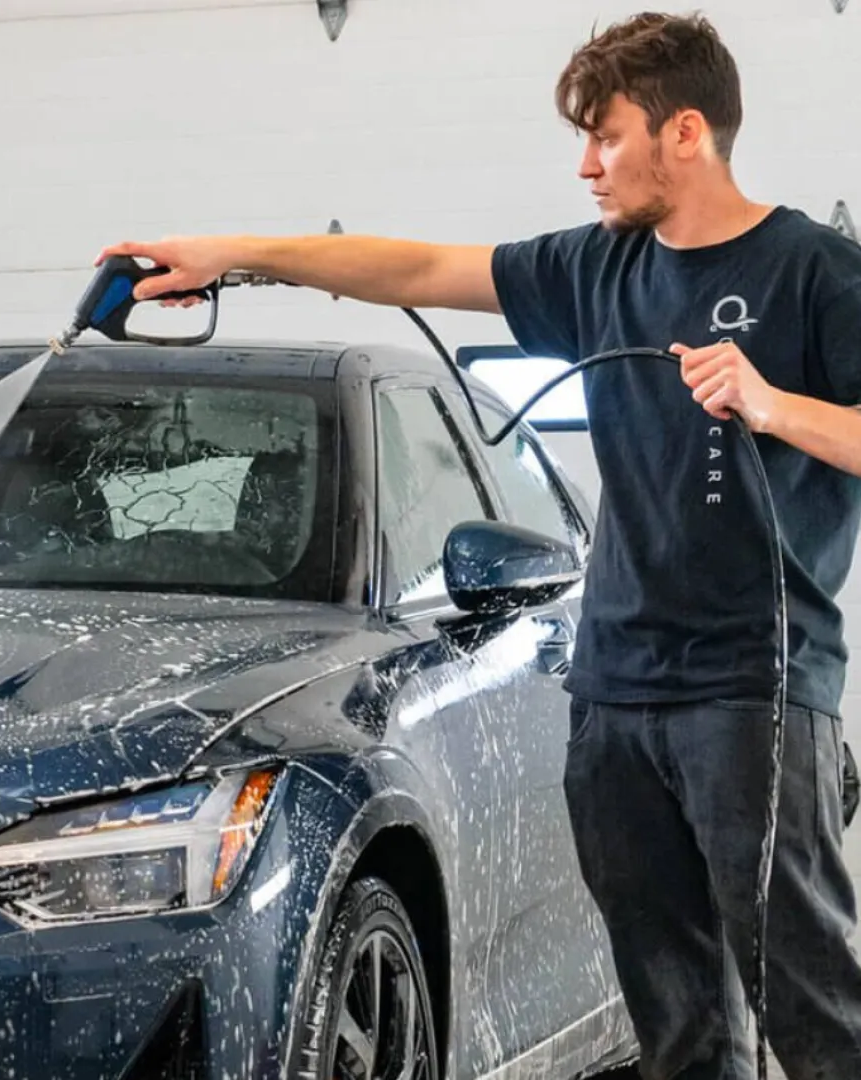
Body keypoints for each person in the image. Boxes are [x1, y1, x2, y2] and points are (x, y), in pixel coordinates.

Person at [99, 11, 861, 1080]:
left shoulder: (817, 273)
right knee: (676, 1021)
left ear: (685, 132)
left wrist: (772, 403)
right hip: (615, 697)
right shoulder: (597, 270)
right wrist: (233, 254)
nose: (586, 165)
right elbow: (412, 267)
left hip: (755, 695)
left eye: (607, 136)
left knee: (809, 1000)